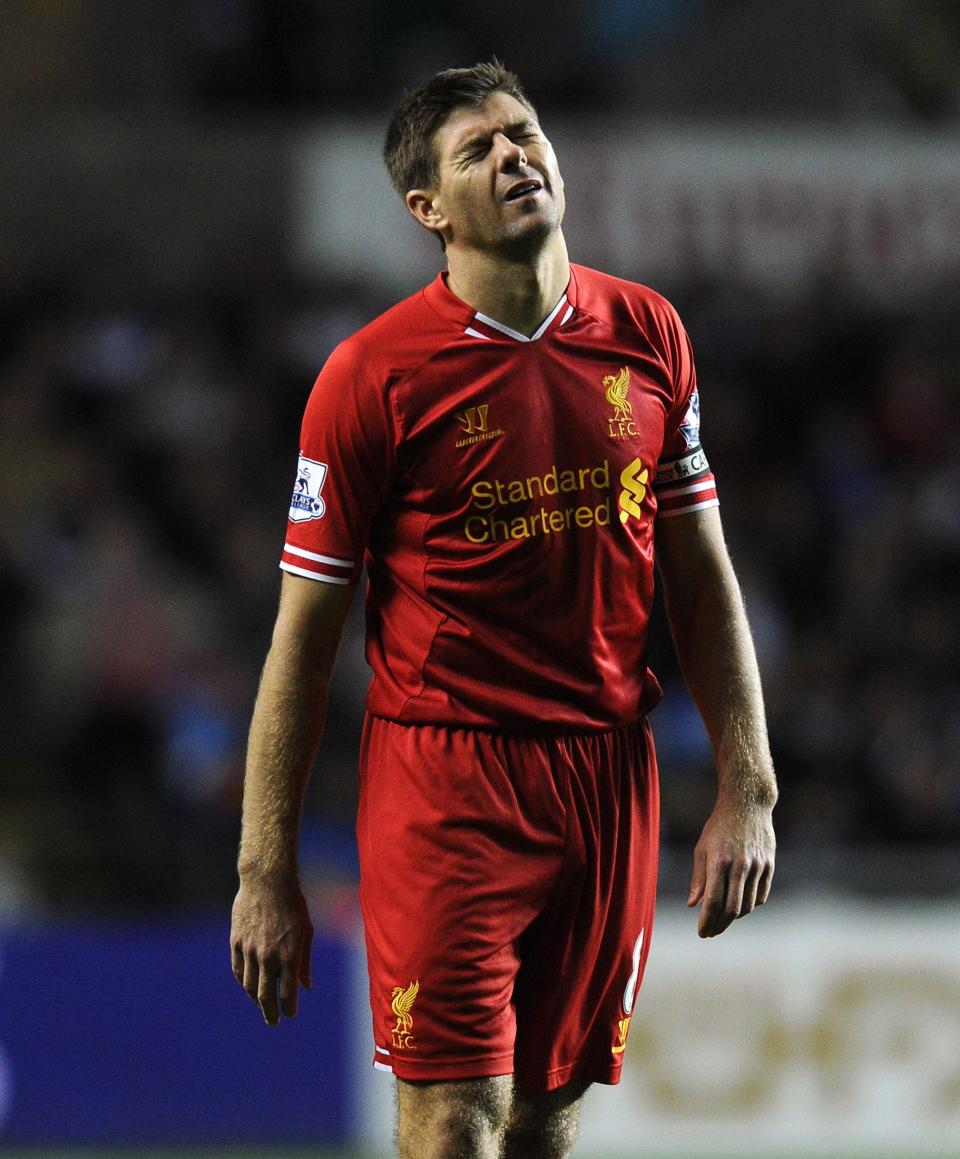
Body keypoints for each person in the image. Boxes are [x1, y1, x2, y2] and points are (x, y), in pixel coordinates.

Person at [230, 60, 777, 1159]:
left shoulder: (649, 334)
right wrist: (264, 867)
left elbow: (704, 578)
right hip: (448, 779)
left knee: (545, 1118)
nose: (515, 155)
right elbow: (303, 638)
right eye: (477, 150)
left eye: (522, 132)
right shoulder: (371, 378)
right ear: (426, 210)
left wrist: (747, 786)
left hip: (607, 774)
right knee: (451, 1117)